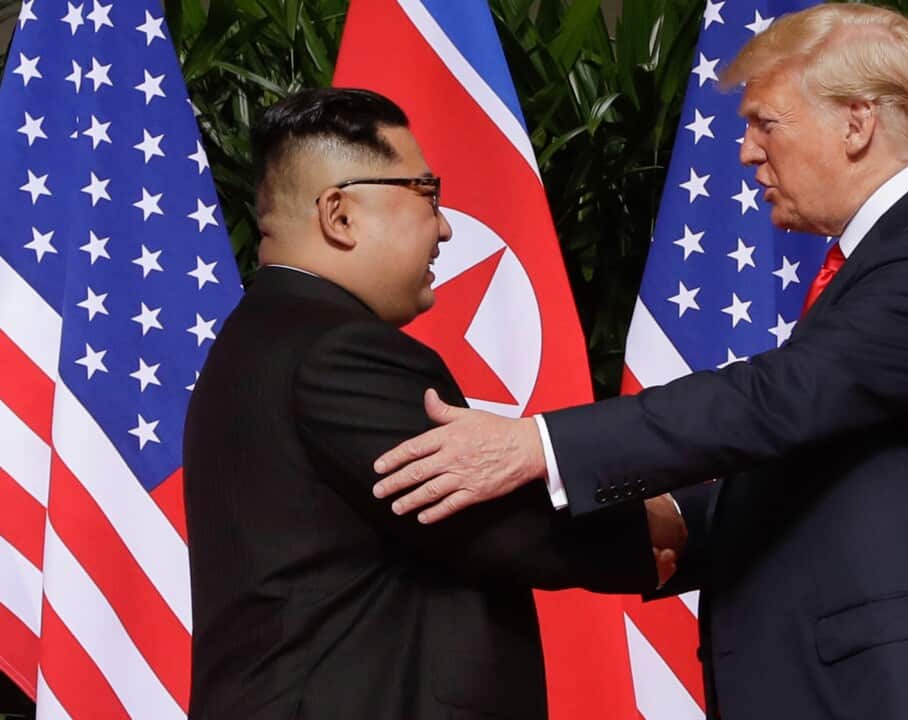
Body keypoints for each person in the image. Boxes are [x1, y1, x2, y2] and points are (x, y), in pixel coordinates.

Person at [370, 5, 908, 720]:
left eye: (766, 123)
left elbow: (778, 399)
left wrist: (536, 444)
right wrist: (678, 516)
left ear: (858, 122)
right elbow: (840, 462)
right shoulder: (900, 251)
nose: (745, 151)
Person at [183, 88, 684, 720]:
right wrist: (666, 527)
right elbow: (484, 516)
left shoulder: (261, 338)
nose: (445, 226)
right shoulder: (336, 349)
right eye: (426, 194)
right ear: (339, 215)